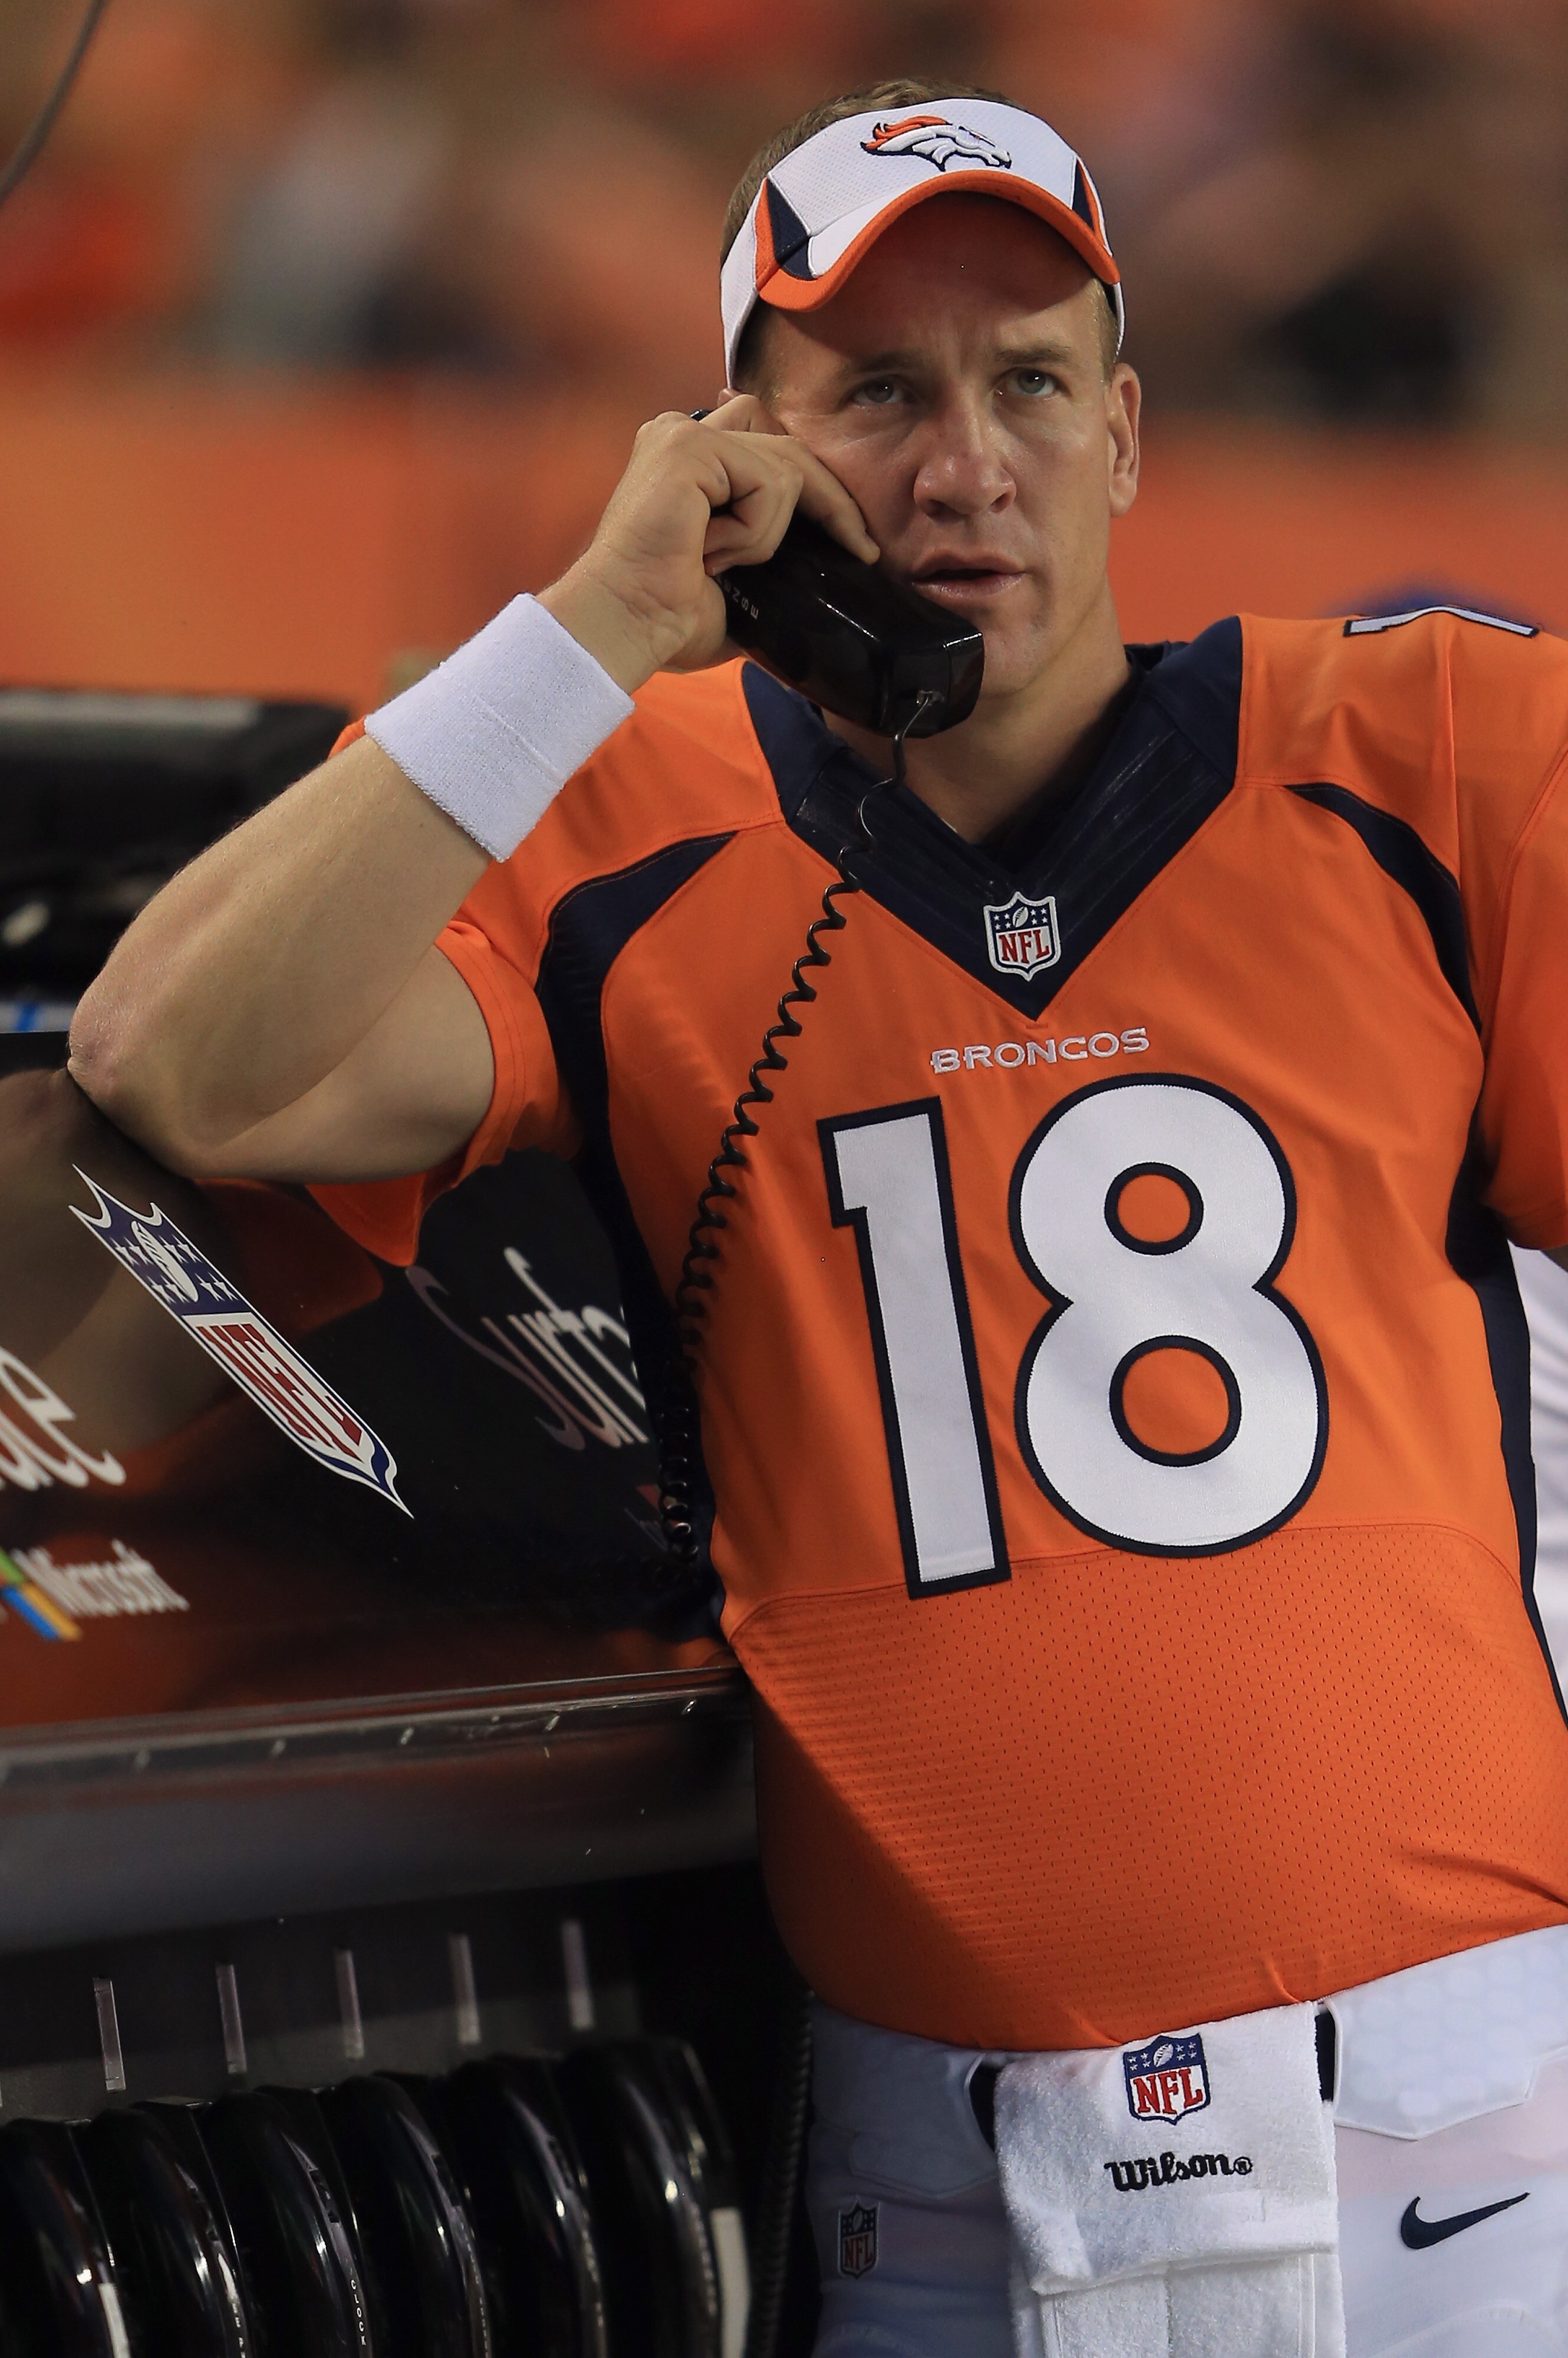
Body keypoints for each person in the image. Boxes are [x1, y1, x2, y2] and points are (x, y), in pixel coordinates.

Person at [68, 75, 1568, 2358]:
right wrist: (592, 617)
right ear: (736, 457)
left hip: (1458, 2123)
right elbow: (173, 1055)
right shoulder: (632, 825)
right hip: (939, 2178)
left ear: (1128, 434)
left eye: (1029, 383)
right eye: (875, 392)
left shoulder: (1419, 751)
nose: (964, 458)